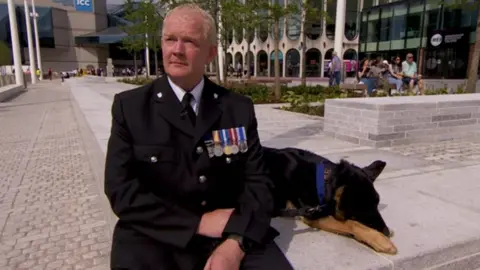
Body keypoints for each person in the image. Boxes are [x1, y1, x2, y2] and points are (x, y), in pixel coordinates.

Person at [104, 3, 293, 270]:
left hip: (227, 232)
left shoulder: (236, 108)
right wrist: (197, 223)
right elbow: (120, 191)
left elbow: (258, 183)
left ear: (210, 53)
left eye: (189, 41)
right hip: (155, 235)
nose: (177, 50)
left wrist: (236, 243)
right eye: (170, 39)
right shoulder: (131, 108)